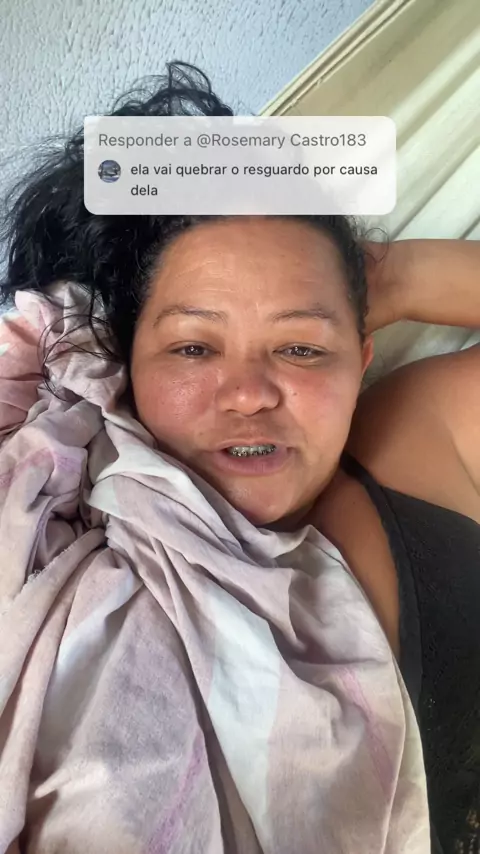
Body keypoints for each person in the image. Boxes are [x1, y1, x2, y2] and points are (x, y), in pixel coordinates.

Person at [1, 61, 479, 854]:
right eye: (193, 347)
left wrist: (387, 275)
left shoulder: (417, 445)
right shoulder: (48, 536)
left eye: (302, 348)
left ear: (362, 356)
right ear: (126, 367)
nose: (250, 393)